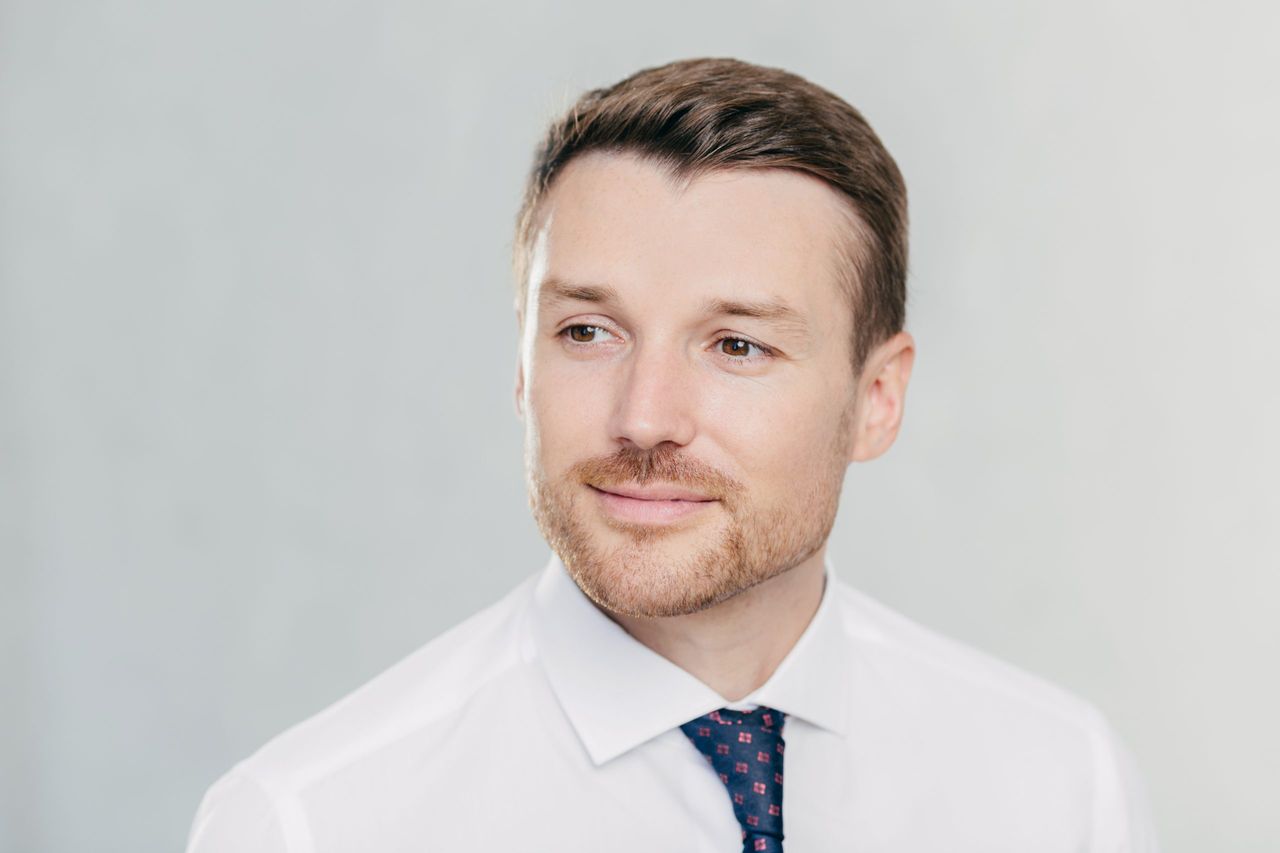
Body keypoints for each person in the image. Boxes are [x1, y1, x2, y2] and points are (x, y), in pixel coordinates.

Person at [185, 57, 1160, 852]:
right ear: (520, 367)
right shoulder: (312, 824)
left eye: (737, 345)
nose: (643, 418)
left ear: (876, 400)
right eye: (586, 332)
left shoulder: (1058, 784)